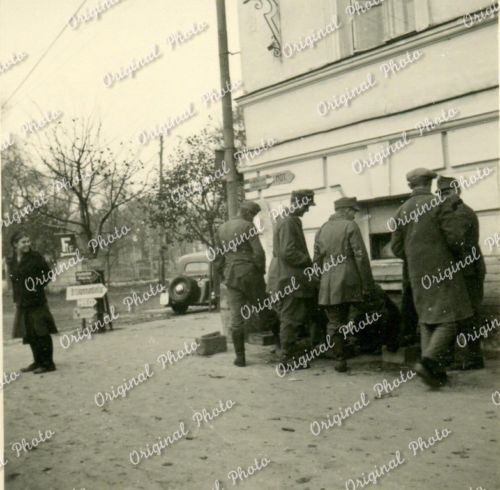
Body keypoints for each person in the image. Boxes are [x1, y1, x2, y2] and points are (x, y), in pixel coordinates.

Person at [390, 168, 473, 387]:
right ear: (429, 183)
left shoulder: (400, 211)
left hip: (416, 274)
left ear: (410, 185)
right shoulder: (439, 204)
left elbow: (396, 248)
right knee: (449, 320)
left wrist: (416, 258)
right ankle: (427, 363)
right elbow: (456, 240)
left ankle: (435, 372)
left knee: (427, 320)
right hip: (443, 271)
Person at [313, 197, 376, 372]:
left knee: (334, 321)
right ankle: (364, 347)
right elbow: (360, 256)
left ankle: (339, 359)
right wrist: (368, 284)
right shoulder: (350, 226)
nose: (354, 215)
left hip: (328, 282)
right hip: (349, 280)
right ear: (346, 210)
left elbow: (316, 260)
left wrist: (320, 281)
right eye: (353, 211)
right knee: (360, 312)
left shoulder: (322, 229)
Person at [213, 200, 274, 367]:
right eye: (253, 215)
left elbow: (218, 257)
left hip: (231, 277)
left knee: (236, 318)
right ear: (247, 213)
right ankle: (282, 347)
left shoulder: (222, 228)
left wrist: (224, 274)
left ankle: (240, 357)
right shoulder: (248, 226)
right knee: (265, 309)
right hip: (250, 274)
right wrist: (260, 271)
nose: (253, 218)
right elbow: (259, 252)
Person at [437, 176, 486, 370]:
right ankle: (457, 357)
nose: (444, 197)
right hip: (461, 270)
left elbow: (456, 242)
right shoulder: (452, 212)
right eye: (441, 193)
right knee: (459, 314)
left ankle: (473, 358)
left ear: (457, 191)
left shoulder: (461, 213)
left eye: (447, 192)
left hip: (468, 271)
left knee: (469, 315)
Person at [267, 189, 316, 366]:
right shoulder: (289, 221)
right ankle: (287, 358)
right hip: (288, 278)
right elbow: (288, 252)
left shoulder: (285, 219)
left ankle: (288, 354)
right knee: (291, 318)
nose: (307, 210)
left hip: (282, 276)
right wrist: (308, 261)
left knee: (289, 317)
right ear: (299, 203)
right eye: (307, 205)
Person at [7, 231, 58, 374]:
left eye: (28, 241)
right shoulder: (11, 261)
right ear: (15, 244)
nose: (27, 244)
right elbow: (14, 282)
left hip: (37, 301)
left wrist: (36, 286)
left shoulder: (36, 257)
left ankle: (48, 364)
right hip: (22, 302)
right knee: (30, 333)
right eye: (23, 242)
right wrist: (16, 300)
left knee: (42, 332)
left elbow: (48, 274)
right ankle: (37, 361)